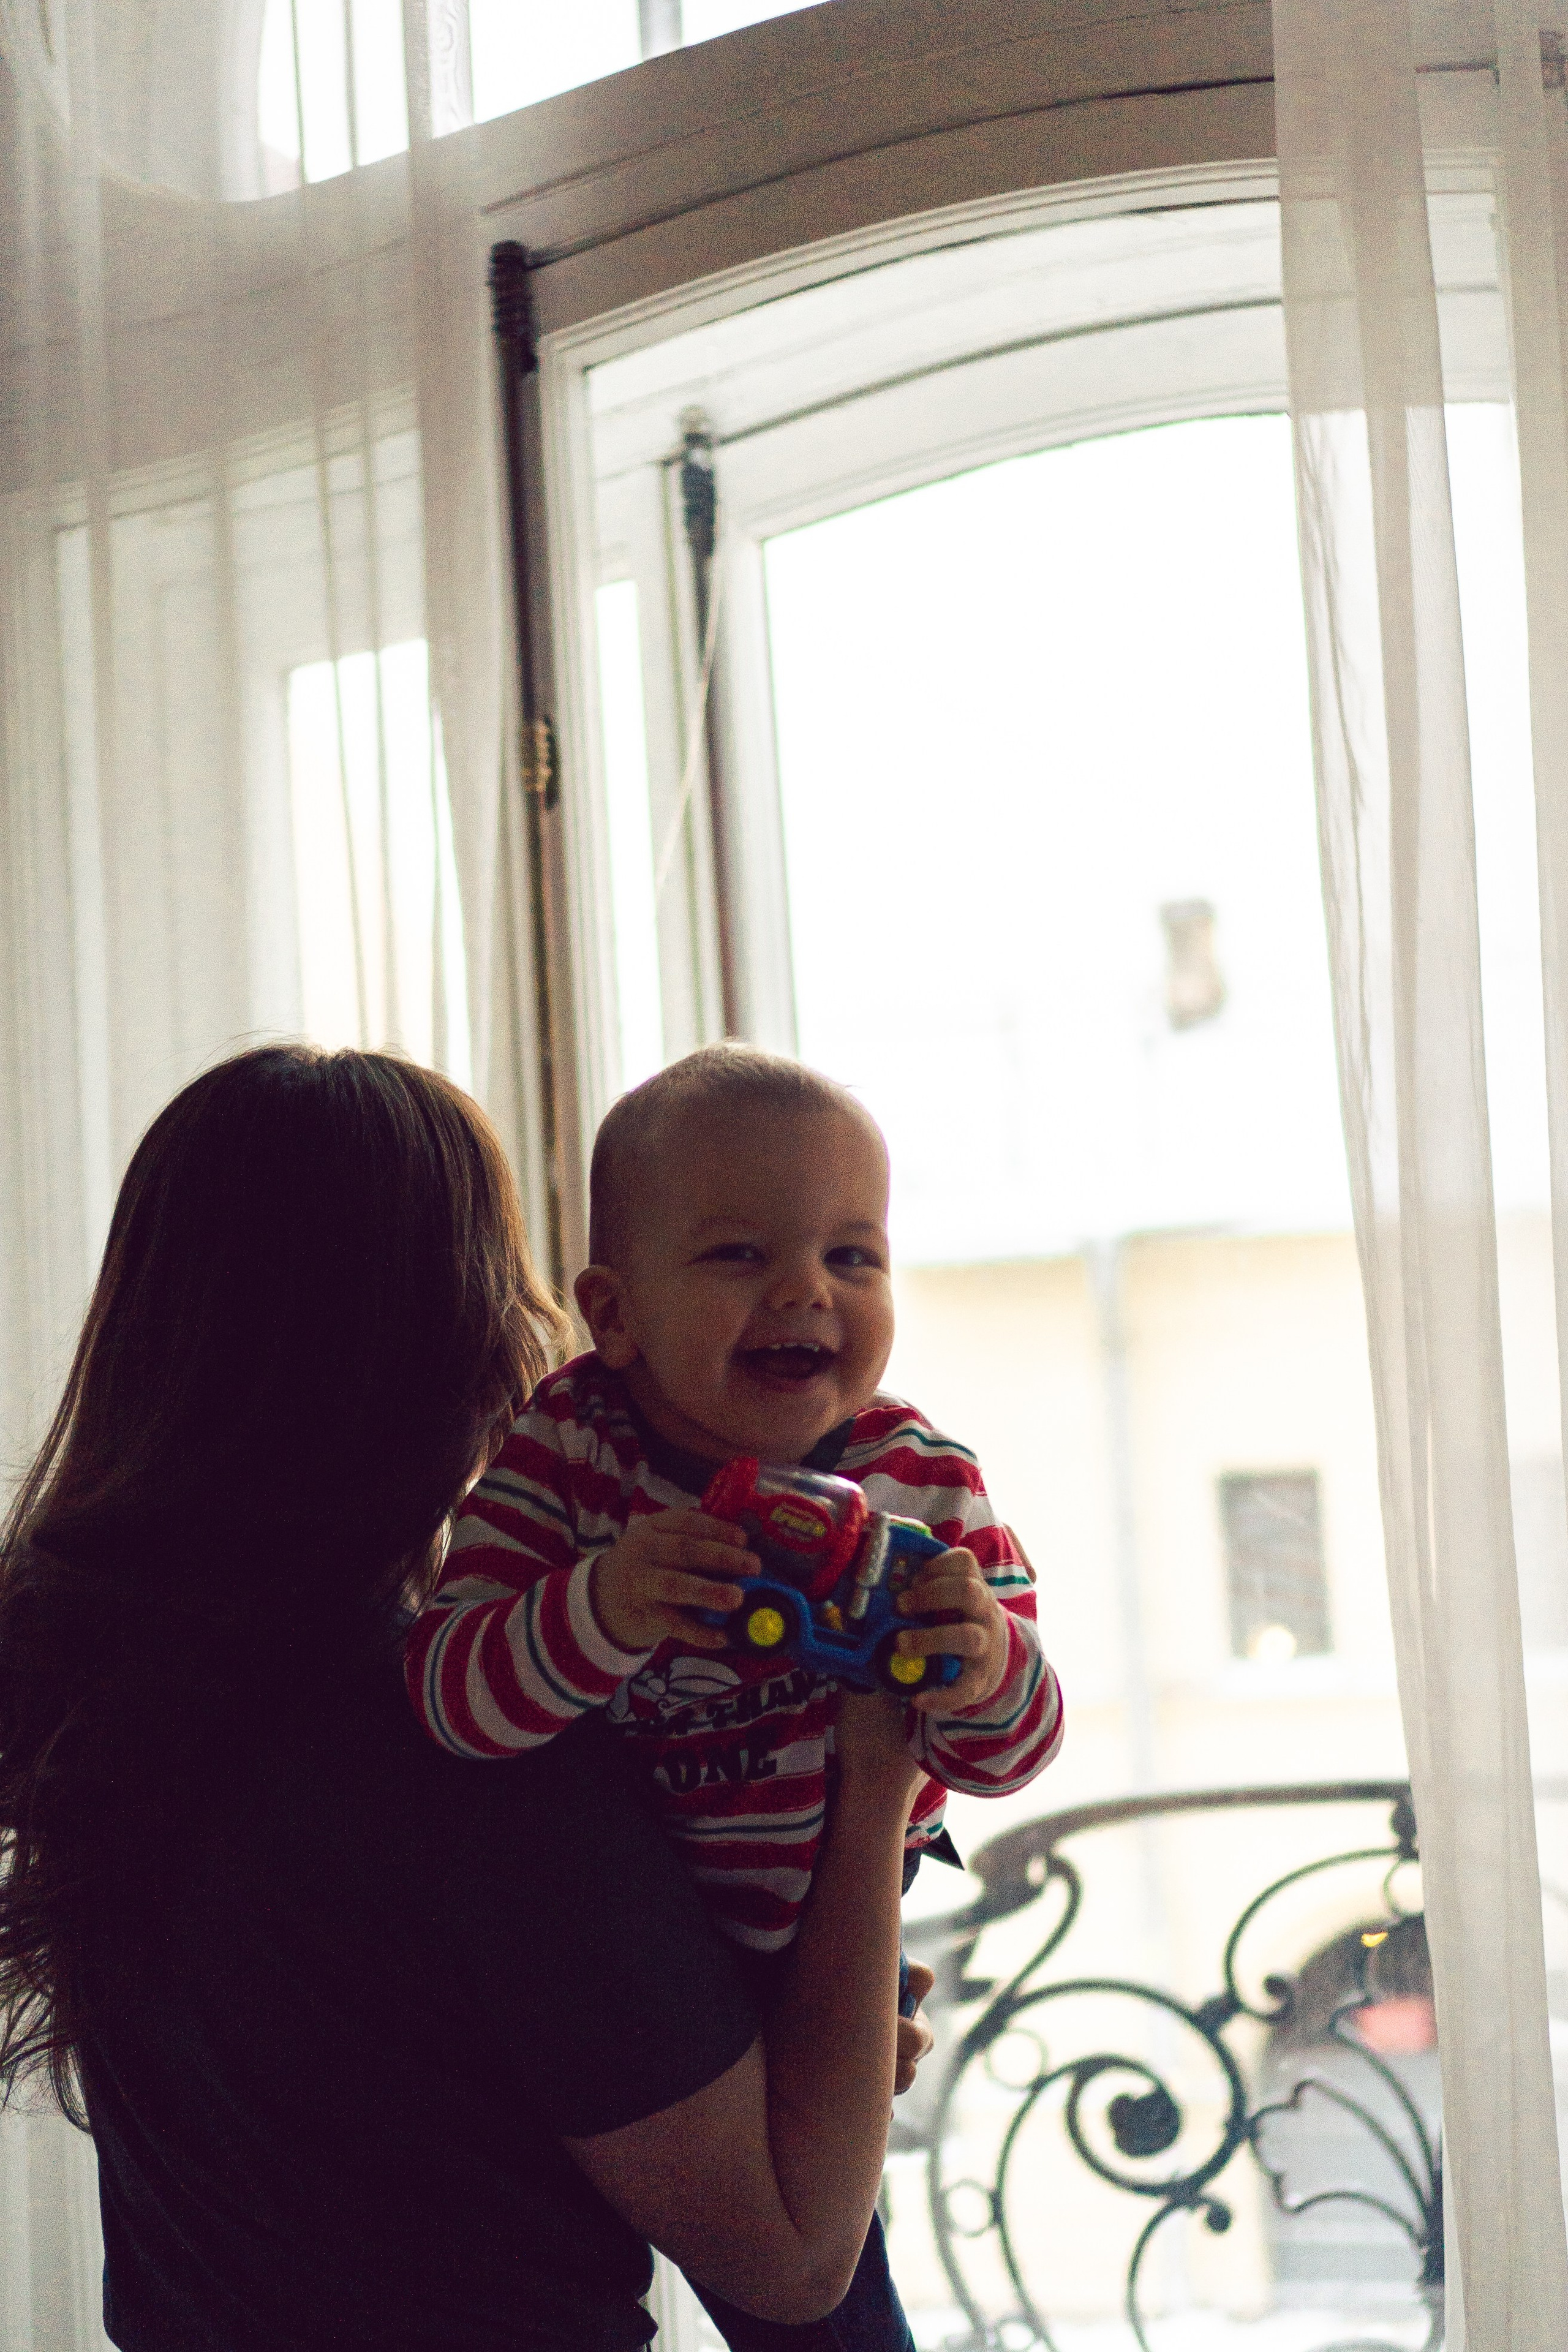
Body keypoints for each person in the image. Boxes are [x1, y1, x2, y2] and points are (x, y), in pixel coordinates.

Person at [0, 1044, 934, 2352]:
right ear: (466, 1330)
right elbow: (791, 2256)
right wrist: (877, 1768)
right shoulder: (470, 1744)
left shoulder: (106, 1701)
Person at [407, 1045, 1066, 2352]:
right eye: (733, 1257)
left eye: (852, 1257)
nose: (803, 1294)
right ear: (615, 1310)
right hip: (635, 1956)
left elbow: (1018, 1753)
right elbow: (446, 1696)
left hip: (831, 1948)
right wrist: (603, 1606)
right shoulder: (570, 1452)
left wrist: (985, 1665)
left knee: (831, 2315)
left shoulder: (917, 1473)